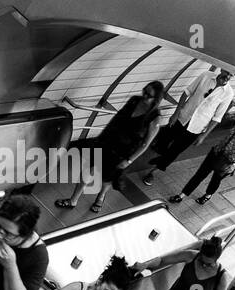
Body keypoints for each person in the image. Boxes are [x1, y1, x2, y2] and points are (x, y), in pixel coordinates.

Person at [57, 81, 164, 213]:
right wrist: (100, 138)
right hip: (107, 142)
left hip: (123, 152)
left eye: (149, 95)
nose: (144, 96)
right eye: (145, 91)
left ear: (156, 99)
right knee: (88, 170)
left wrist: (129, 160)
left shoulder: (155, 118)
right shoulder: (134, 101)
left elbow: (145, 144)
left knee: (107, 177)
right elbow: (116, 120)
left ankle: (100, 197)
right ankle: (73, 200)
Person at [139, 68, 234, 185]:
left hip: (197, 127)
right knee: (164, 140)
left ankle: (153, 172)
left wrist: (203, 136)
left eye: (231, 75)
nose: (228, 77)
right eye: (227, 73)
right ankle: (159, 155)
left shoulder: (228, 93)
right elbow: (187, 93)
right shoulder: (206, 75)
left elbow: (217, 118)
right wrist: (176, 113)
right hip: (182, 117)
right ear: (222, 69)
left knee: (175, 150)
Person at [170, 113, 235, 204]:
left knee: (215, 180)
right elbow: (225, 116)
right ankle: (181, 195)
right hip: (216, 152)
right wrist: (229, 106)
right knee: (199, 175)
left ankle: (208, 195)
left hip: (228, 162)